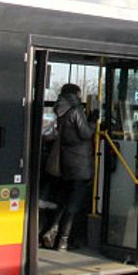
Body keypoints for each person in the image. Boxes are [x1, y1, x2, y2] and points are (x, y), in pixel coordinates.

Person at [42, 84, 96, 251]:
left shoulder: (60, 110)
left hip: (65, 163)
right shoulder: (75, 110)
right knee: (74, 205)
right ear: (75, 94)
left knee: (64, 201)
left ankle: (53, 229)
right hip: (80, 165)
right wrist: (93, 121)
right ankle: (64, 240)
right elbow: (86, 134)